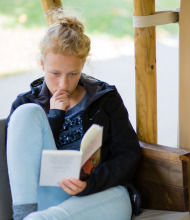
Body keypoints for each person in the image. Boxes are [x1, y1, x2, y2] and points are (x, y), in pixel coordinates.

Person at [5, 10, 142, 220]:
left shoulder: (106, 99)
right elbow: (21, 162)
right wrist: (55, 115)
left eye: (72, 74)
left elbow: (129, 154)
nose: (64, 84)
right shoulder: (25, 102)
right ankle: (22, 214)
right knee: (26, 113)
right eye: (55, 74)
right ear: (42, 65)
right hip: (50, 194)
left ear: (83, 65)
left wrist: (89, 184)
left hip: (103, 193)